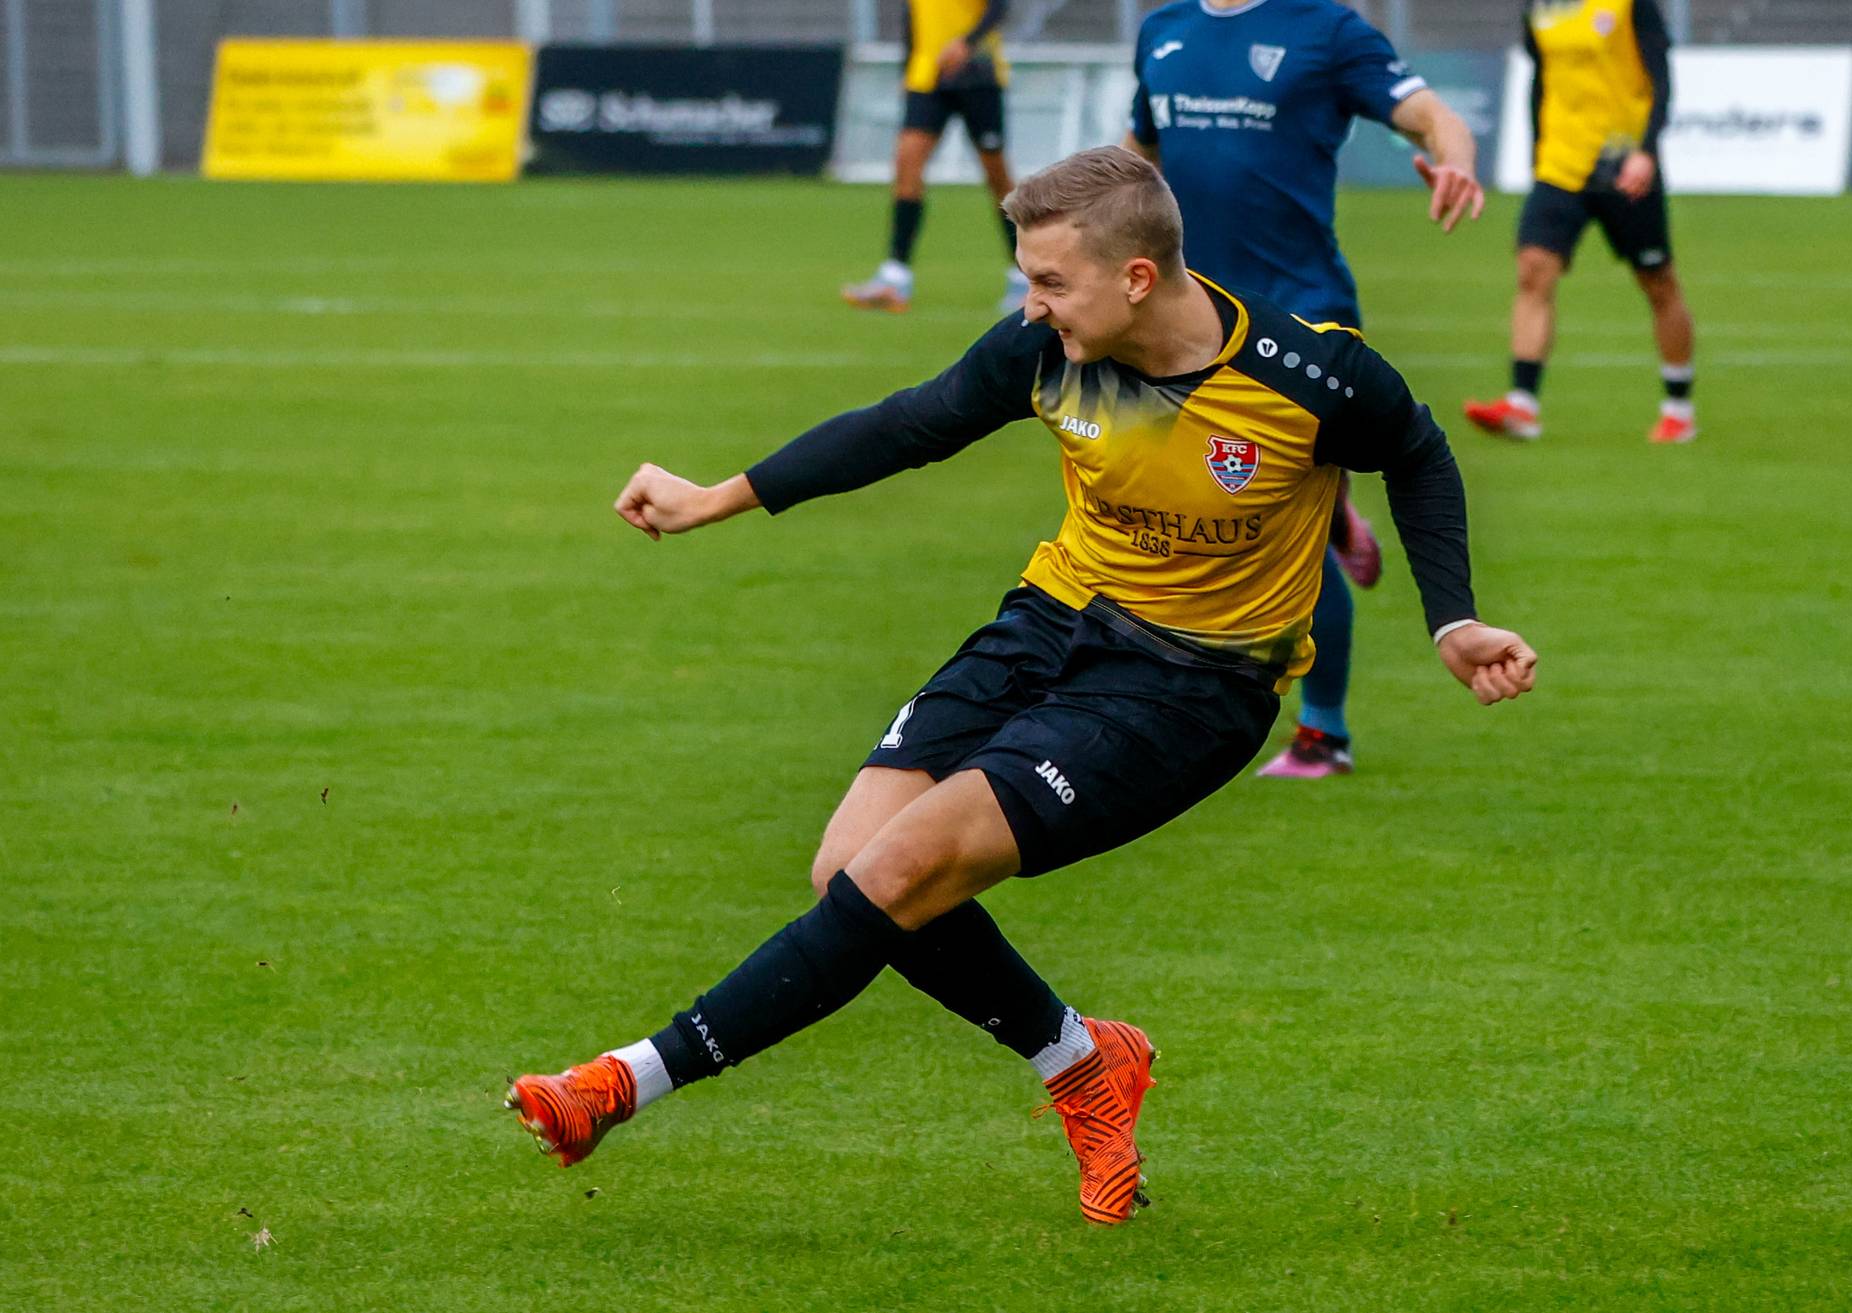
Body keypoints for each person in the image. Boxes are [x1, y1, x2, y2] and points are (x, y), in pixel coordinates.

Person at [507, 147, 1537, 1227]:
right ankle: (1084, 1060)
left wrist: (1453, 620)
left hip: (1192, 686)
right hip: (1048, 623)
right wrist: (716, 496)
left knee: (896, 871)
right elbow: (913, 422)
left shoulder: (1306, 375)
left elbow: (1417, 451)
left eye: (1050, 281)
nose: (1031, 303)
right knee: (848, 871)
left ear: (1137, 277)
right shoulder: (1047, 352)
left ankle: (617, 1083)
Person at [1124, 0, 1488, 778]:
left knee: (1286, 528)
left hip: (1302, 315)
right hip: (1190, 321)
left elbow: (1432, 115)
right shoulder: (1163, 31)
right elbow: (1139, 156)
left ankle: (1324, 732)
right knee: (1195, 514)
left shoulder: (1326, 30)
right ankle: (1338, 513)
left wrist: (1455, 160)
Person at [1464, 0, 1697, 445]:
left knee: (1658, 282)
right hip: (1559, 165)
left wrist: (1647, 151)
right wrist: (1537, 154)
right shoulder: (1539, 6)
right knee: (1533, 269)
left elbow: (1661, 78)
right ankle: (1522, 405)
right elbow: (1541, 78)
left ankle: (1678, 410)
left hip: (1622, 162)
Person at [842, 0, 1029, 314]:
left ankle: (1024, 276)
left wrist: (967, 43)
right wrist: (907, 68)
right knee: (906, 166)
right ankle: (894, 278)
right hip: (926, 75)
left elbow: (999, 6)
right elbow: (912, 16)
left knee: (997, 177)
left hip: (977, 71)